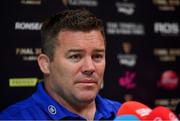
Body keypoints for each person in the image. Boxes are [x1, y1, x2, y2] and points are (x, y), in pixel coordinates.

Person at [0, 9, 121, 120]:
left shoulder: (124, 114)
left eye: (97, 56)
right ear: (45, 64)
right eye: (75, 56)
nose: (89, 67)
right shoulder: (14, 118)